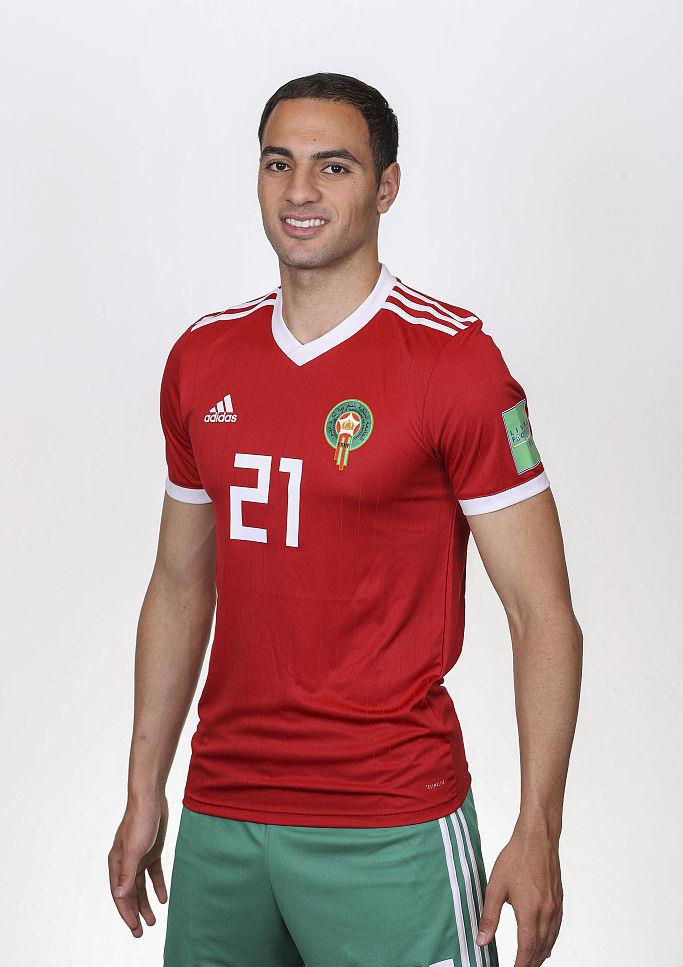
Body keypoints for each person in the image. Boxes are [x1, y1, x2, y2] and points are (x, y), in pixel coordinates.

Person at [107, 72, 583, 967]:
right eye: (278, 164)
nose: (299, 191)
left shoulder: (453, 363)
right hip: (223, 814)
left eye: (333, 167)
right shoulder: (203, 358)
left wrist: (538, 827)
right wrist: (144, 787)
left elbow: (541, 612)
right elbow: (178, 585)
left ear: (386, 186)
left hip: (389, 820)